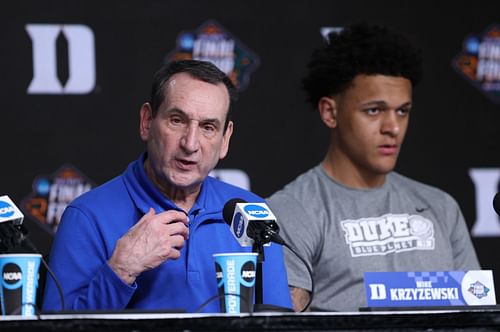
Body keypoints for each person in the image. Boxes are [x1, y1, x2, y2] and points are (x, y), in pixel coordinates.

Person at [42, 60, 292, 313]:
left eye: (208, 127)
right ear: (147, 121)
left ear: (225, 139)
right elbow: (56, 327)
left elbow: (280, 324)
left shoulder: (253, 214)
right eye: (177, 120)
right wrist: (121, 271)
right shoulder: (87, 217)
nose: (190, 143)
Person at [267, 23, 480, 312]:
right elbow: (282, 323)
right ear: (330, 112)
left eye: (402, 111)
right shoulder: (291, 211)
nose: (393, 127)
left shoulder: (441, 207)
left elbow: (476, 315)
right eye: (374, 110)